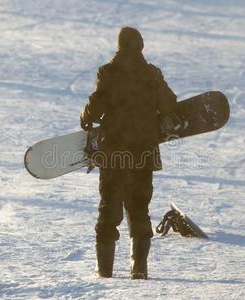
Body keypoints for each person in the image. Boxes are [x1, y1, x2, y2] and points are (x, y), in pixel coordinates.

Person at [80, 26, 177, 280]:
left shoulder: (108, 72)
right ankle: (139, 268)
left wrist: (85, 118)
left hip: (113, 151)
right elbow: (170, 103)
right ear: (141, 46)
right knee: (139, 208)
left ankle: (104, 270)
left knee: (108, 208)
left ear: (120, 45)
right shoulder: (152, 74)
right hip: (143, 152)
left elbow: (96, 105)